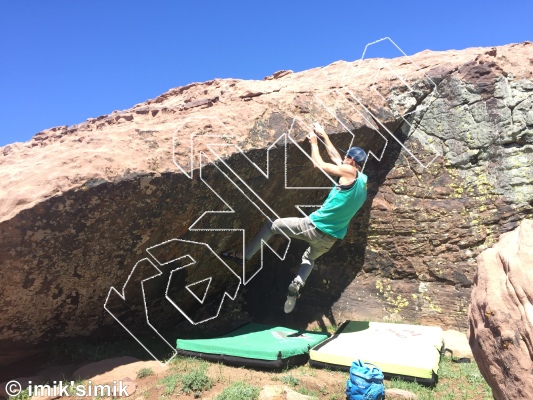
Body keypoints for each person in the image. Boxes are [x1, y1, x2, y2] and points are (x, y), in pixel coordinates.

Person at [222, 122, 368, 313]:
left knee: (272, 225)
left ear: (352, 161)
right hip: (330, 239)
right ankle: (298, 283)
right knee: (309, 258)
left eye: (347, 156)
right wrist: (324, 135)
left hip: (312, 226)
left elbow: (319, 164)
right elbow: (336, 157)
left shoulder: (349, 171)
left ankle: (245, 255)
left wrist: (314, 143)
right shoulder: (363, 182)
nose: (344, 158)